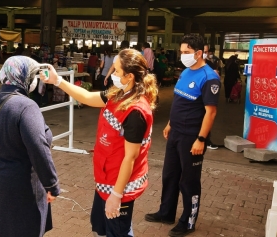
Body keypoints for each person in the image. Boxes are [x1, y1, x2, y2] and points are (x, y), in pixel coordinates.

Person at [40, 49, 158, 237]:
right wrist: (57, 81)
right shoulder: (120, 94)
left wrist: (117, 196)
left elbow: (130, 158)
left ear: (129, 76)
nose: (112, 75)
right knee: (101, 226)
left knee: (118, 230)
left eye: (117, 71)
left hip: (120, 185)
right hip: (107, 178)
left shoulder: (136, 111)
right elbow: (87, 97)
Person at [0, 56, 60, 237]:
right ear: (25, 77)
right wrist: (51, 184)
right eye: (34, 76)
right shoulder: (27, 106)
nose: (35, 80)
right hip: (19, 191)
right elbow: (39, 149)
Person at [145, 34, 220, 237]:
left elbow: (211, 112)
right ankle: (166, 212)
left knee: (188, 181)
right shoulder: (186, 72)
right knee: (170, 175)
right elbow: (180, 101)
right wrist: (170, 123)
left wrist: (201, 140)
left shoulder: (209, 77)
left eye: (186, 52)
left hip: (192, 136)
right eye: (181, 51)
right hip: (176, 132)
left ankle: (188, 221)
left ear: (198, 53)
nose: (182, 55)